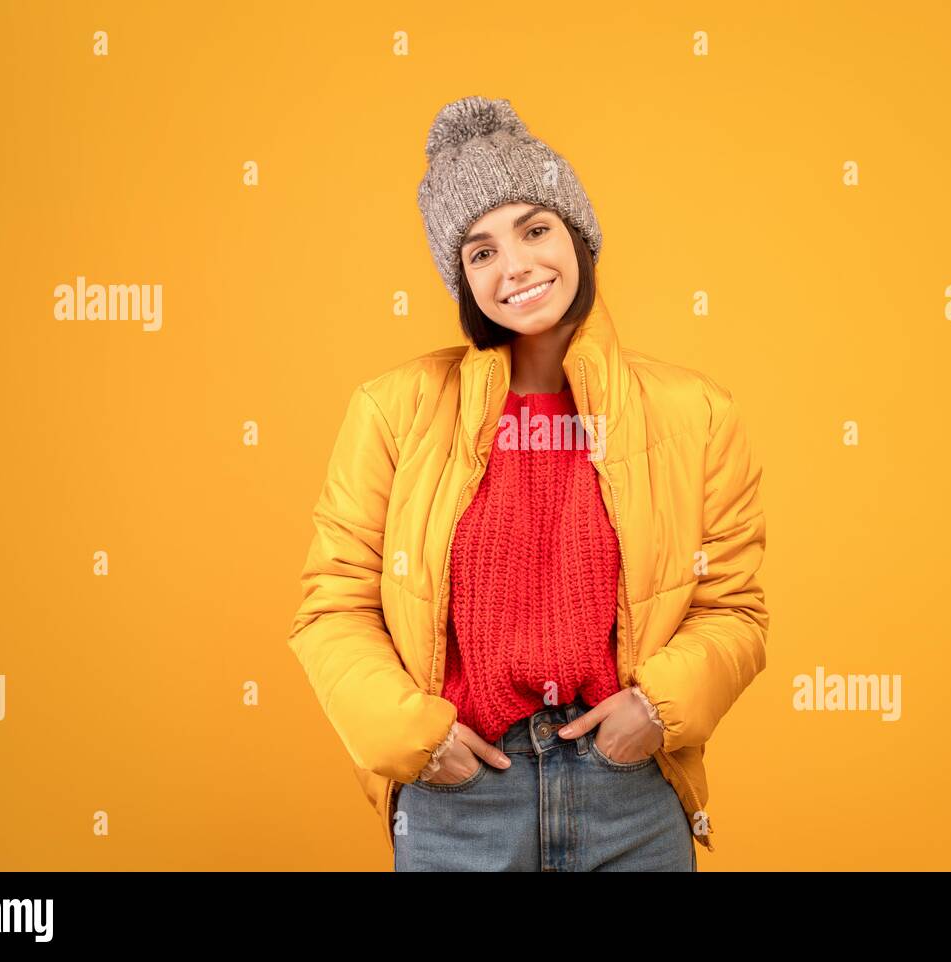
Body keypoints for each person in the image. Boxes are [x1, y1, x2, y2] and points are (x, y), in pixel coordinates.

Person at [287, 95, 769, 871]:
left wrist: (656, 709)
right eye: (480, 252)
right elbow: (332, 606)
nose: (514, 266)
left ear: (577, 235)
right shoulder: (392, 409)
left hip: (631, 794)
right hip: (464, 800)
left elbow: (733, 609)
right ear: (462, 277)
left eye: (535, 229)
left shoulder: (697, 414)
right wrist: (416, 737)